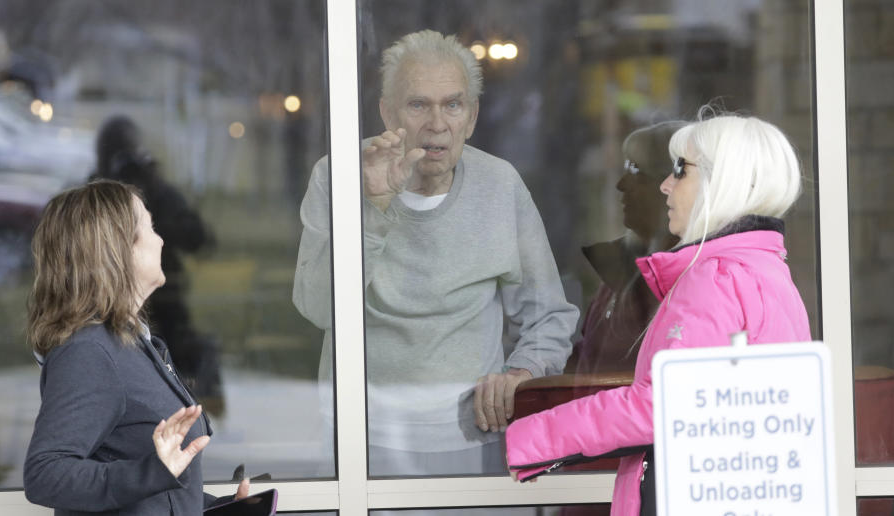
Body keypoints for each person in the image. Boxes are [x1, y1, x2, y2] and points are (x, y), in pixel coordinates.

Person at [293, 29, 579, 476]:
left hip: (471, 435)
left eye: (452, 104)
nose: (437, 123)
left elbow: (549, 314)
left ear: (472, 116)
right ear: (387, 112)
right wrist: (372, 209)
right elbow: (317, 306)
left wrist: (522, 374)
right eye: (417, 104)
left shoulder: (500, 184)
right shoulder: (337, 175)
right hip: (362, 432)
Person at [505, 111, 812, 516]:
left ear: (724, 181)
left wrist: (529, 436)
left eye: (680, 171)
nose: (665, 185)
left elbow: (665, 406)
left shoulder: (715, 278)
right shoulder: (768, 272)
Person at [23, 180, 247, 514]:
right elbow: (45, 474)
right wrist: (151, 472)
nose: (161, 240)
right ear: (116, 249)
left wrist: (223, 508)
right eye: (149, 227)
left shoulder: (132, 343)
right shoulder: (88, 352)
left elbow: (154, 486)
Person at [92, 116, 224, 415]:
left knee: (174, 384)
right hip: (105, 305)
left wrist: (157, 191)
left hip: (166, 304)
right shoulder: (92, 196)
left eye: (130, 153)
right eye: (117, 153)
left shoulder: (157, 191)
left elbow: (200, 240)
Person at [567, 122, 684, 375]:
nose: (621, 184)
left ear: (670, 185)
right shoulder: (618, 270)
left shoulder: (692, 279)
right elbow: (581, 366)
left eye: (634, 169)